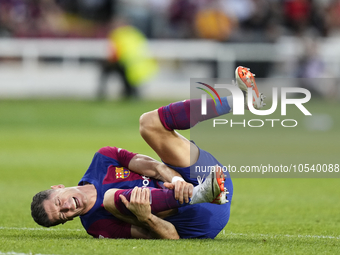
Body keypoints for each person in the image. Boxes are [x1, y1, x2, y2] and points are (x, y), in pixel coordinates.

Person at [31, 66, 265, 239]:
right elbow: (171, 236)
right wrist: (145, 217)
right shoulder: (96, 225)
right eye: (63, 215)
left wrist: (176, 179)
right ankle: (201, 194)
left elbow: (153, 166)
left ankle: (241, 100)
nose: (67, 208)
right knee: (111, 199)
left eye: (59, 203)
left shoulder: (103, 159)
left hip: (211, 179)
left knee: (149, 123)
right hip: (198, 217)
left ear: (57, 188)